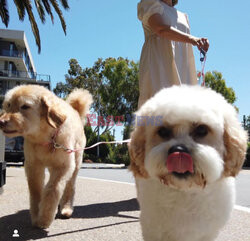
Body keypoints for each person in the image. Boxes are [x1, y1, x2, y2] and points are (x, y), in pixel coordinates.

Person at [137, 0, 209, 107]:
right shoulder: (150, 3)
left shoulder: (183, 16)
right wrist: (193, 39)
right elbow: (160, 28)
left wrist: (200, 42)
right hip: (158, 63)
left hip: (182, 67)